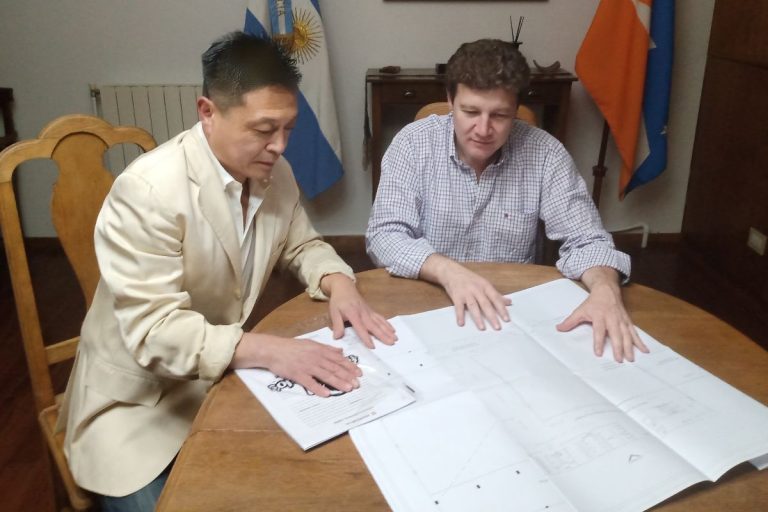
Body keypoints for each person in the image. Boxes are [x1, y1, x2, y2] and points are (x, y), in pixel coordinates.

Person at [58, 31, 396, 511]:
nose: (279, 146)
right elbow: (154, 331)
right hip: (137, 406)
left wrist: (339, 283)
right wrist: (271, 350)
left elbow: (302, 244)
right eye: (263, 129)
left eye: (289, 128)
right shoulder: (148, 191)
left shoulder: (274, 172)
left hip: (219, 380)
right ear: (207, 112)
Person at [366, 38, 647, 365]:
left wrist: (605, 290)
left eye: (499, 115)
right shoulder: (412, 144)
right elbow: (384, 236)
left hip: (510, 314)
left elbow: (587, 240)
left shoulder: (546, 154)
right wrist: (448, 271)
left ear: (516, 110)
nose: (483, 129)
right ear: (450, 100)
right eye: (470, 112)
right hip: (428, 303)